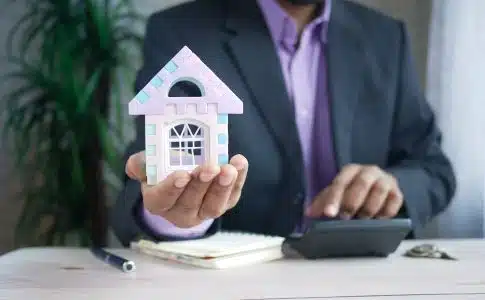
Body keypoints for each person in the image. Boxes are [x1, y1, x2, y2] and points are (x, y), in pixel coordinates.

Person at [111, 0, 456, 247]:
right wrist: (175, 216)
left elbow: (434, 169)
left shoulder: (386, 37)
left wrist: (394, 186)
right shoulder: (180, 32)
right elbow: (144, 179)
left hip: (365, 277)